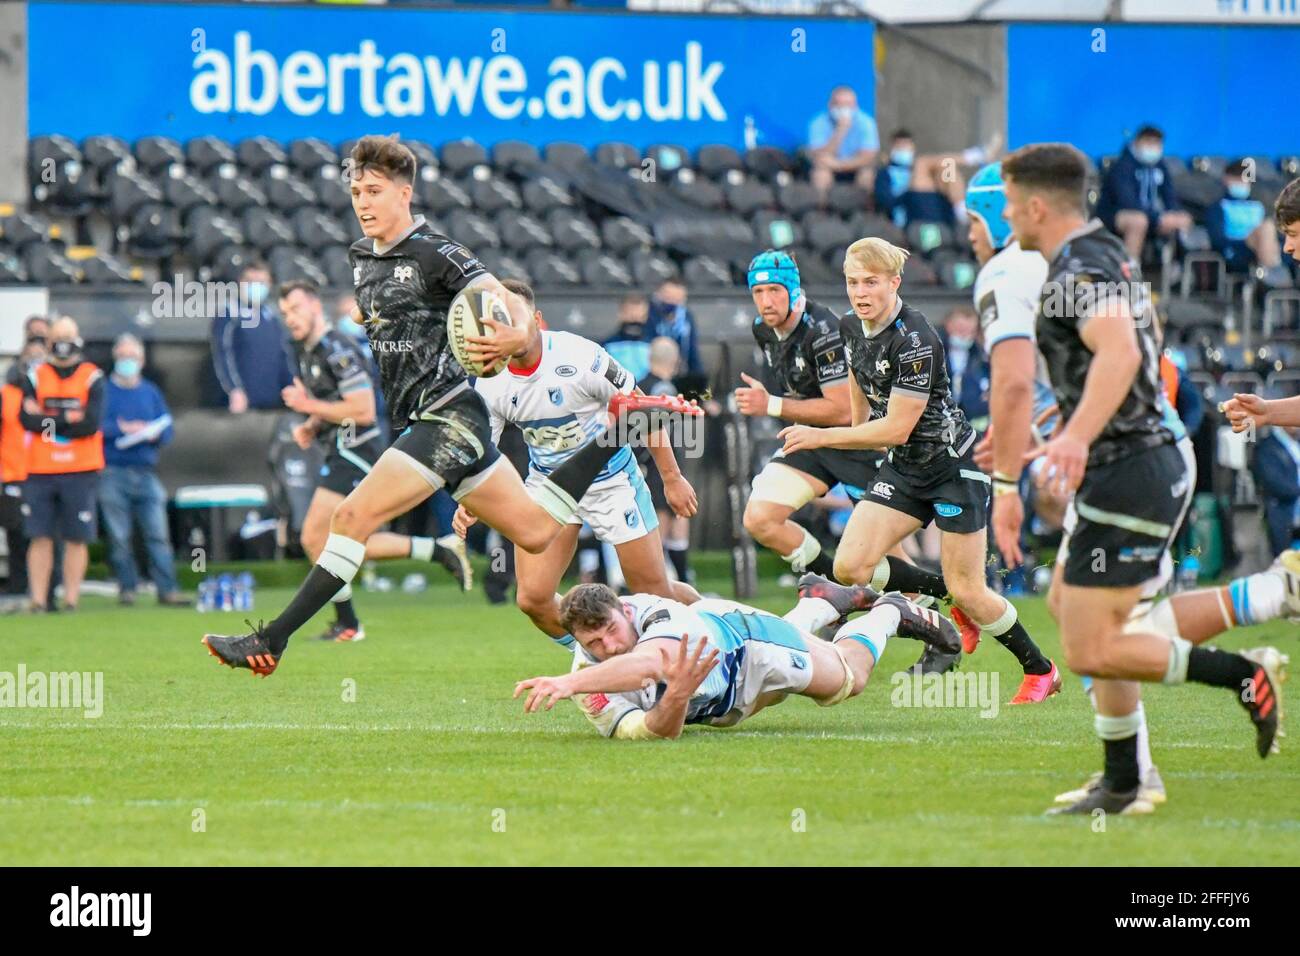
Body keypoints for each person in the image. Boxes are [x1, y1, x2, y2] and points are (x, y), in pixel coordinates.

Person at [202, 134, 697, 676]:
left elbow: (502, 298)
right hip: (424, 420)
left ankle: (272, 638)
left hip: (447, 416)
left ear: (404, 193)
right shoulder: (360, 256)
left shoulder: (437, 252)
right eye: (355, 193)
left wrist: (512, 339)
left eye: (373, 191)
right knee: (533, 534)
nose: (362, 203)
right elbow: (394, 321)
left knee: (350, 516)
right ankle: (615, 447)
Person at [1001, 142, 1282, 816]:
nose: (1008, 216)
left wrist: (1072, 434)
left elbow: (1123, 351)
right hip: (1128, 461)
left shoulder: (1076, 266)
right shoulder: (1105, 254)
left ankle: (1244, 676)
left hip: (1133, 467)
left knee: (1094, 643)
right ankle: (1124, 779)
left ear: (1037, 205)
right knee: (1077, 613)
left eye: (1011, 204)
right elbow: (1125, 351)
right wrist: (1060, 422)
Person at [776, 237, 1059, 701]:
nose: (859, 292)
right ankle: (950, 598)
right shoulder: (850, 327)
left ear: (895, 282)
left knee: (972, 589)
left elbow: (898, 427)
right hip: (905, 469)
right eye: (852, 282)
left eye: (870, 282)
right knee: (850, 566)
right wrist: (839, 440)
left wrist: (820, 436)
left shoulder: (917, 338)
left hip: (952, 467)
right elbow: (861, 407)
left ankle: (1041, 670)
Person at [458, 279, 700, 648]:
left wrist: (672, 477)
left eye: (516, 320)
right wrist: (469, 501)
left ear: (537, 321)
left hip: (611, 481)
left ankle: (717, 625)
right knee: (533, 599)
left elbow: (641, 411)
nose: (507, 330)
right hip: (549, 486)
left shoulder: (581, 356)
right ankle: (595, 657)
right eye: (499, 322)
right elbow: (482, 451)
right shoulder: (490, 383)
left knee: (653, 592)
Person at [511, 577, 961, 739]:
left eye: (611, 630)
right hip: (722, 702)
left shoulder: (653, 611)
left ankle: (889, 612)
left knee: (847, 678)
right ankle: (821, 601)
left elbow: (653, 662)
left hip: (747, 645)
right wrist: (675, 701)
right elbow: (648, 734)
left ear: (626, 612)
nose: (608, 646)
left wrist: (567, 683)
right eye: (594, 644)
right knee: (773, 694)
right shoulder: (588, 685)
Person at [278, 279, 470, 644]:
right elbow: (337, 402)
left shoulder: (337, 349)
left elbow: (363, 410)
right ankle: (436, 550)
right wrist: (313, 423)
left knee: (316, 537)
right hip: (339, 450)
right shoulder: (309, 352)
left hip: (357, 451)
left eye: (296, 308)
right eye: (285, 312)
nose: (290, 318)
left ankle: (349, 623)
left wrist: (309, 407)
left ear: (315, 307)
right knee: (335, 540)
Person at [736, 249, 926, 591]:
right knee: (760, 519)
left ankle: (937, 625)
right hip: (812, 441)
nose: (765, 301)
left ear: (793, 292)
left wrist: (773, 405)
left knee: (890, 563)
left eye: (775, 290)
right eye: (758, 292)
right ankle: (828, 588)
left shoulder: (824, 330)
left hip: (856, 443)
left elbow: (842, 410)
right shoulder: (762, 329)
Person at [18, 317, 104, 612]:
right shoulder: (36, 375)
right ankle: (39, 600)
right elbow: (26, 421)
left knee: (76, 537)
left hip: (80, 468)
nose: (63, 342)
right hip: (40, 469)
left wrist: (48, 420)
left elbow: (90, 425)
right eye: (58, 337)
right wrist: (68, 419)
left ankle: (71, 599)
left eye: (68, 336)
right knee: (39, 535)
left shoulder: (92, 376)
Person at [99, 334, 186, 607]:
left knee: (158, 535)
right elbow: (94, 426)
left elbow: (167, 428)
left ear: (142, 360)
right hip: (112, 471)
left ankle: (167, 589)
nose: (128, 362)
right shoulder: (103, 390)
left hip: (146, 472)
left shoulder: (150, 391)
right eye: (123, 357)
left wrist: (151, 434)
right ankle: (127, 588)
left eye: (133, 357)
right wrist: (123, 429)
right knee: (119, 536)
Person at [637, 336, 693, 585]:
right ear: (675, 360)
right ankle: (663, 584)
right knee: (667, 526)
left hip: (643, 466)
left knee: (669, 525)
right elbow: (662, 432)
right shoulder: (664, 390)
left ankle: (672, 583)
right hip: (660, 467)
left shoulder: (637, 386)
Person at [1, 318, 49, 599]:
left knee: (44, 535)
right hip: (14, 471)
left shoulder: (54, 394)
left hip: (47, 471)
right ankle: (19, 589)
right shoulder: (7, 394)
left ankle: (46, 591)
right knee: (17, 535)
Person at [1096, 125, 1193, 261]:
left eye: (1156, 144)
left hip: (1151, 216)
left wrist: (1173, 214)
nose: (1153, 147)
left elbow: (1170, 196)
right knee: (1138, 221)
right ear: (1136, 142)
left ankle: (1176, 269)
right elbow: (1127, 202)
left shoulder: (1160, 166)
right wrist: (1158, 218)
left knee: (1183, 218)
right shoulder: (1122, 166)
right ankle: (1130, 270)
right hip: (1115, 216)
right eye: (1148, 142)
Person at [208, 260, 295, 413]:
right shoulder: (229, 313)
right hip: (242, 403)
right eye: (250, 281)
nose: (256, 286)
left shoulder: (272, 316)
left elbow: (285, 356)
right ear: (241, 282)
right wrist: (234, 390)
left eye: (261, 282)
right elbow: (222, 354)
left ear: (269, 284)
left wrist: (292, 387)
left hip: (274, 401)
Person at [873, 129, 998, 229]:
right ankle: (976, 156)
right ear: (892, 148)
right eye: (899, 146)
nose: (903, 150)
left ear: (912, 147)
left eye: (906, 145)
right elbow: (887, 201)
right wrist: (907, 193)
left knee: (947, 166)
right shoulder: (886, 172)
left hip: (933, 203)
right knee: (924, 162)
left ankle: (960, 208)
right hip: (910, 208)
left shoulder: (923, 170)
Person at [1205, 159, 1291, 287]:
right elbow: (1218, 238)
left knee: (1272, 231)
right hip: (1237, 248)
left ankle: (1271, 272)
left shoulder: (1257, 206)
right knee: (1266, 228)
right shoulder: (1220, 207)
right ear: (1227, 179)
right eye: (1238, 178)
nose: (1243, 183)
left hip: (1262, 246)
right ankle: (1276, 277)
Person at [807, 85, 880, 197]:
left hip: (853, 167)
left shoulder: (866, 123)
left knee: (867, 174)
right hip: (829, 168)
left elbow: (868, 157)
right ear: (830, 105)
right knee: (820, 174)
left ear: (855, 106)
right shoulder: (818, 122)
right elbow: (820, 156)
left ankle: (863, 210)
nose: (843, 109)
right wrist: (840, 131)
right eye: (839, 104)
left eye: (847, 105)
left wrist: (839, 165)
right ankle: (823, 211)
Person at [938, 305, 989, 432]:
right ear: (949, 326)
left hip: (972, 419)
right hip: (940, 418)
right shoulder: (934, 353)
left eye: (970, 332)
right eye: (961, 330)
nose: (965, 336)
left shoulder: (981, 357)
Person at [1252, 425, 1300, 557]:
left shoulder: (1296, 443)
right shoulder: (1267, 447)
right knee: (1284, 561)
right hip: (1282, 514)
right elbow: (1274, 482)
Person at [646, 278, 703, 377]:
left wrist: (699, 377)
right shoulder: (648, 315)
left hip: (680, 372)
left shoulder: (686, 317)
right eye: (668, 298)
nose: (672, 303)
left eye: (677, 300)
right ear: (659, 295)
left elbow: (693, 352)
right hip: (653, 372)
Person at [601, 293, 652, 385]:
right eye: (631, 316)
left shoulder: (653, 345)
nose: (635, 321)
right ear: (621, 314)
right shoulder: (607, 346)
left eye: (639, 317)